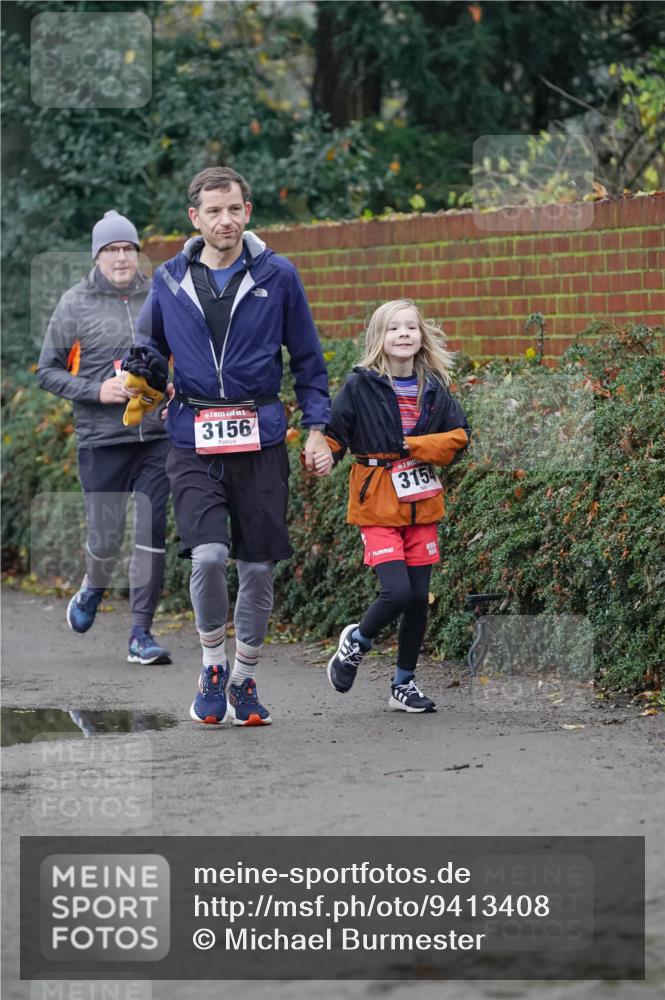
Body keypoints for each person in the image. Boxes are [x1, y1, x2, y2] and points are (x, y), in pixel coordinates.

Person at [133, 166, 331, 727]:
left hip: (260, 436)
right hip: (192, 437)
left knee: (258, 569)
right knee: (210, 556)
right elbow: (148, 346)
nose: (226, 219)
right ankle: (213, 665)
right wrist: (141, 373)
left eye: (235, 208)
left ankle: (245, 677)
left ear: (248, 211)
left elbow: (309, 361)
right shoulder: (170, 279)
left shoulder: (279, 275)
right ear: (194, 218)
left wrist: (318, 427)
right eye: (214, 211)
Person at [321, 299, 470, 712]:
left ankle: (403, 685)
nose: (403, 334)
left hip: (422, 503)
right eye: (394, 328)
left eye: (411, 327)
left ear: (421, 337)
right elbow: (336, 434)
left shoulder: (435, 385)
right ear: (379, 339)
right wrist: (321, 456)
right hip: (378, 503)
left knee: (418, 599)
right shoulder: (359, 384)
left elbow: (461, 436)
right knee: (396, 592)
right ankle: (357, 642)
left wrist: (418, 447)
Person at [37, 210, 172, 665]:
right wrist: (97, 390)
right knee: (107, 539)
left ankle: (141, 635)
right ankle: (93, 586)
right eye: (111, 250)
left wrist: (174, 389)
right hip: (101, 439)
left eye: (127, 249)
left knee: (153, 533)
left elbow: (180, 354)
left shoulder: (159, 294)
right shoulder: (74, 302)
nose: (120, 258)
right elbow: (47, 371)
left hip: (156, 436)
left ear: (137, 253)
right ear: (97, 256)